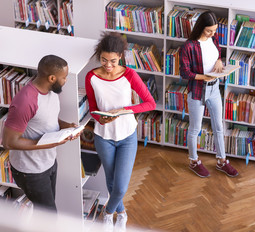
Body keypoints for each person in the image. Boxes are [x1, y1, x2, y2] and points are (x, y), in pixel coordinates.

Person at [85, 32, 156, 231]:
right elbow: (92, 107)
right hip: (103, 136)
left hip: (127, 137)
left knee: (121, 186)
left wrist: (125, 110)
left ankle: (108, 213)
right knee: (111, 181)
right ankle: (121, 214)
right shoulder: (92, 77)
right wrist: (101, 117)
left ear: (121, 57)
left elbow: (150, 103)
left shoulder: (129, 75)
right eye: (104, 60)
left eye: (113, 61)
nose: (108, 65)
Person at [2, 55, 80, 213]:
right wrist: (46, 143)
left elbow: (47, 119)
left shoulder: (51, 91)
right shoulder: (25, 101)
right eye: (64, 78)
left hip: (49, 162)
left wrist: (67, 127)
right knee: (49, 216)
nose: (66, 81)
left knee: (44, 214)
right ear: (52, 78)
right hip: (30, 171)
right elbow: (8, 142)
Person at [179, 11, 238, 178]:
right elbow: (184, 73)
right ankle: (194, 161)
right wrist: (204, 77)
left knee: (218, 126)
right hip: (198, 90)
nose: (213, 34)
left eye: (214, 30)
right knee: (195, 128)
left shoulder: (214, 39)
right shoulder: (189, 46)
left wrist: (219, 60)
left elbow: (217, 54)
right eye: (209, 31)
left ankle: (221, 160)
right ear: (200, 28)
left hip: (214, 89)